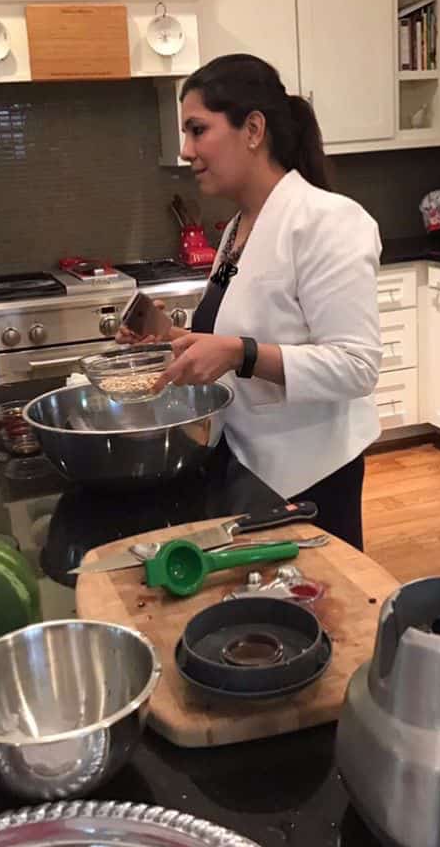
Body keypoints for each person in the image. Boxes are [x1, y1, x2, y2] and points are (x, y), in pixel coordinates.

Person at [117, 54, 382, 550]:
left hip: (310, 479)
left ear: (253, 129)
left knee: (319, 615)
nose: (186, 150)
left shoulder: (329, 221)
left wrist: (241, 353)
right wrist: (170, 337)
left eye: (198, 130)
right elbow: (234, 336)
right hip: (246, 465)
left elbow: (357, 366)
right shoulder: (240, 226)